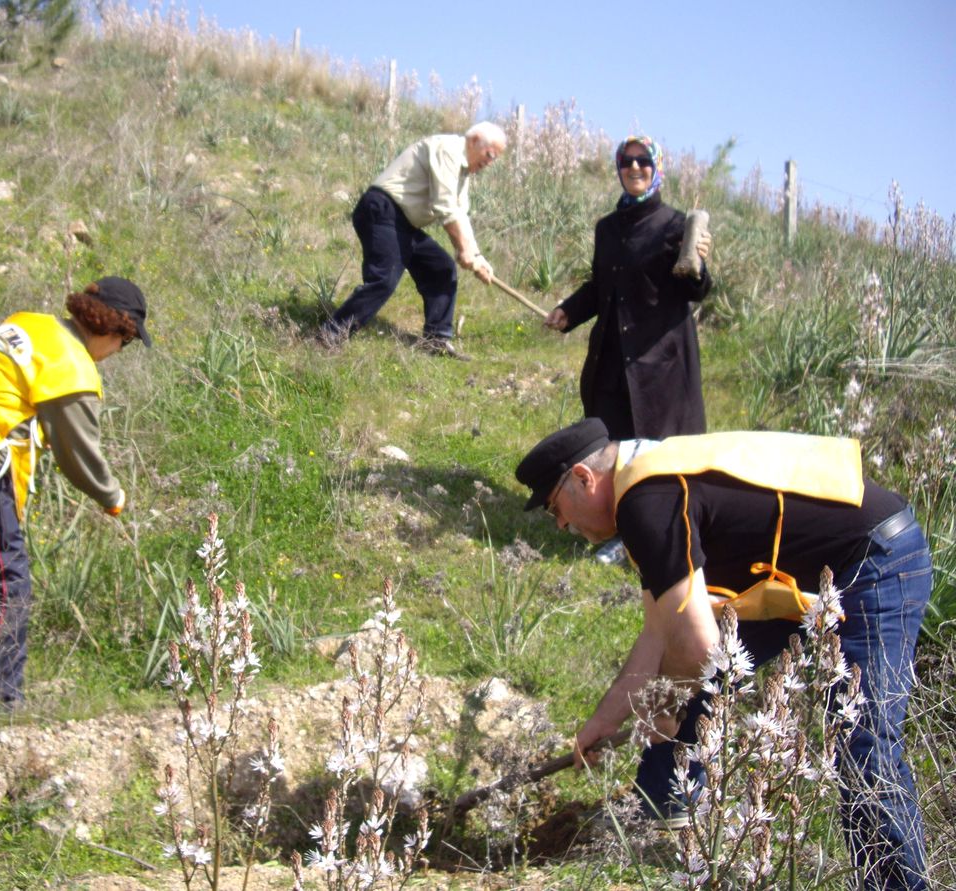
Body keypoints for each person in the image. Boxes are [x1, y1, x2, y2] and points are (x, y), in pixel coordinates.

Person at [515, 418, 930, 890]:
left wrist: (661, 716)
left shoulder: (646, 499)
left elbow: (697, 648)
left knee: (862, 743)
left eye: (556, 509)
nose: (563, 524)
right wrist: (605, 721)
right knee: (683, 685)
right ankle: (664, 814)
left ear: (585, 479)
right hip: (803, 577)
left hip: (875, 562)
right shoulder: (650, 485)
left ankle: (900, 884)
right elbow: (660, 633)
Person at [0, 277, 150, 708]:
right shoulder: (71, 366)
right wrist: (112, 497)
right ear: (116, 329)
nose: (120, 353)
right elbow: (77, 451)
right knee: (6, 585)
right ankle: (0, 703)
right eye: (128, 342)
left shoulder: (30, 324)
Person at [544, 136, 713, 440]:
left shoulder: (676, 225)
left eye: (644, 160)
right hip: (610, 366)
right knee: (611, 454)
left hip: (660, 370)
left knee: (656, 465)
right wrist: (568, 311)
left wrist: (697, 262)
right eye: (627, 161)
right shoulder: (606, 228)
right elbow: (600, 288)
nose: (635, 167)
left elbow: (697, 291)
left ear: (656, 167)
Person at [319, 121, 506, 359]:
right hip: (382, 210)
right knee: (384, 280)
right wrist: (465, 249)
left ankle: (436, 340)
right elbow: (445, 208)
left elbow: (460, 214)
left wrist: (476, 255)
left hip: (404, 222)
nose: (489, 163)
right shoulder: (447, 149)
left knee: (441, 269)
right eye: (489, 155)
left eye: (495, 160)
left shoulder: (463, 172)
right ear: (475, 140)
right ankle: (329, 337)